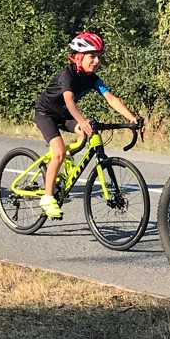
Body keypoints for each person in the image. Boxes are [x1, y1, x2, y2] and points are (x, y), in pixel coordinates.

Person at [34, 32, 141, 219]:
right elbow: (69, 100)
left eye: (99, 57)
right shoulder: (67, 75)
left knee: (85, 136)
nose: (96, 61)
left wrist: (132, 118)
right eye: (92, 56)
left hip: (65, 115)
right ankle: (47, 197)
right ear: (77, 58)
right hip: (46, 114)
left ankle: (63, 158)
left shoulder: (92, 79)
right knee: (59, 151)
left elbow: (111, 98)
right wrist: (82, 121)